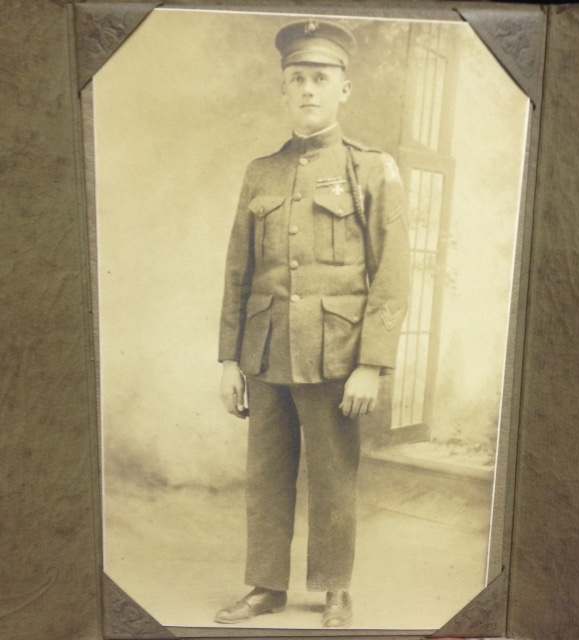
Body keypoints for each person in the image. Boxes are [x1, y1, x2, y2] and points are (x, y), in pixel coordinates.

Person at [215, 18, 410, 628]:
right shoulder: (261, 172)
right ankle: (265, 585)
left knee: (332, 475)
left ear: (344, 89)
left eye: (320, 78)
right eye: (297, 78)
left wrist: (372, 364)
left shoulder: (371, 169)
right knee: (266, 474)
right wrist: (229, 359)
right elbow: (238, 271)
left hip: (336, 353)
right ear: (283, 88)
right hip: (266, 349)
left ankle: (334, 588)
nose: (308, 89)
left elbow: (392, 274)